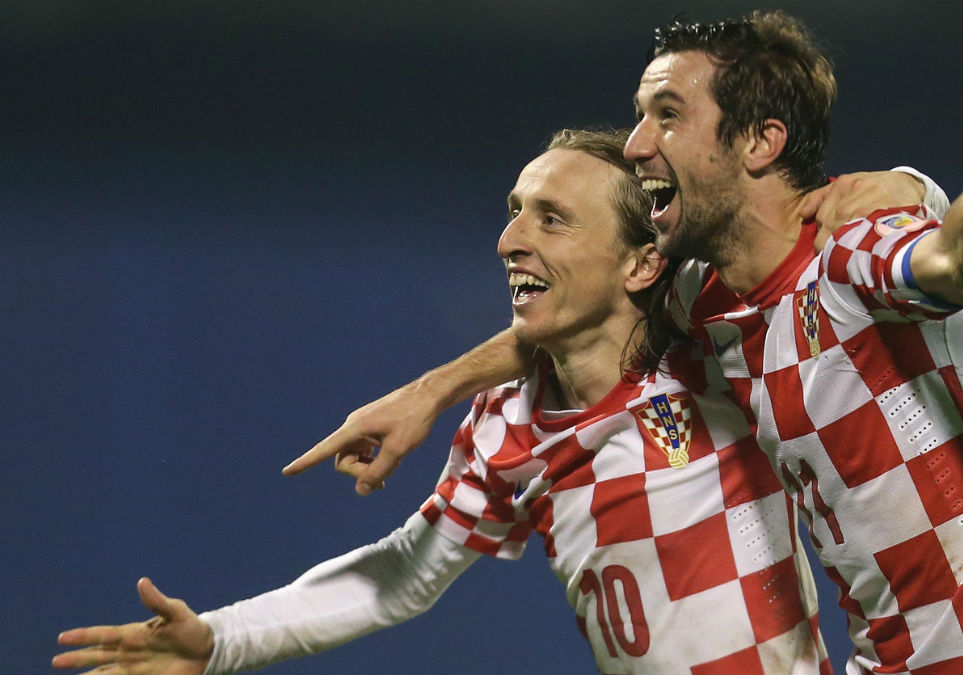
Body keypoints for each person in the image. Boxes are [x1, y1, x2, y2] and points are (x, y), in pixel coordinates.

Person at [285, 11, 963, 675]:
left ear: (761, 141)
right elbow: (582, 306)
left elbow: (958, 262)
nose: (636, 146)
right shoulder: (708, 300)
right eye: (638, 116)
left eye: (667, 115)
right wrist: (431, 390)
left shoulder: (852, 246)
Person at [56, 128, 903, 675]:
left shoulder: (717, 356)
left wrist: (906, 186)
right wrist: (221, 640)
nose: (510, 240)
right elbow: (400, 577)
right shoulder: (507, 423)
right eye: (513, 213)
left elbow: (808, 251)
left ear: (644, 264)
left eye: (553, 218)